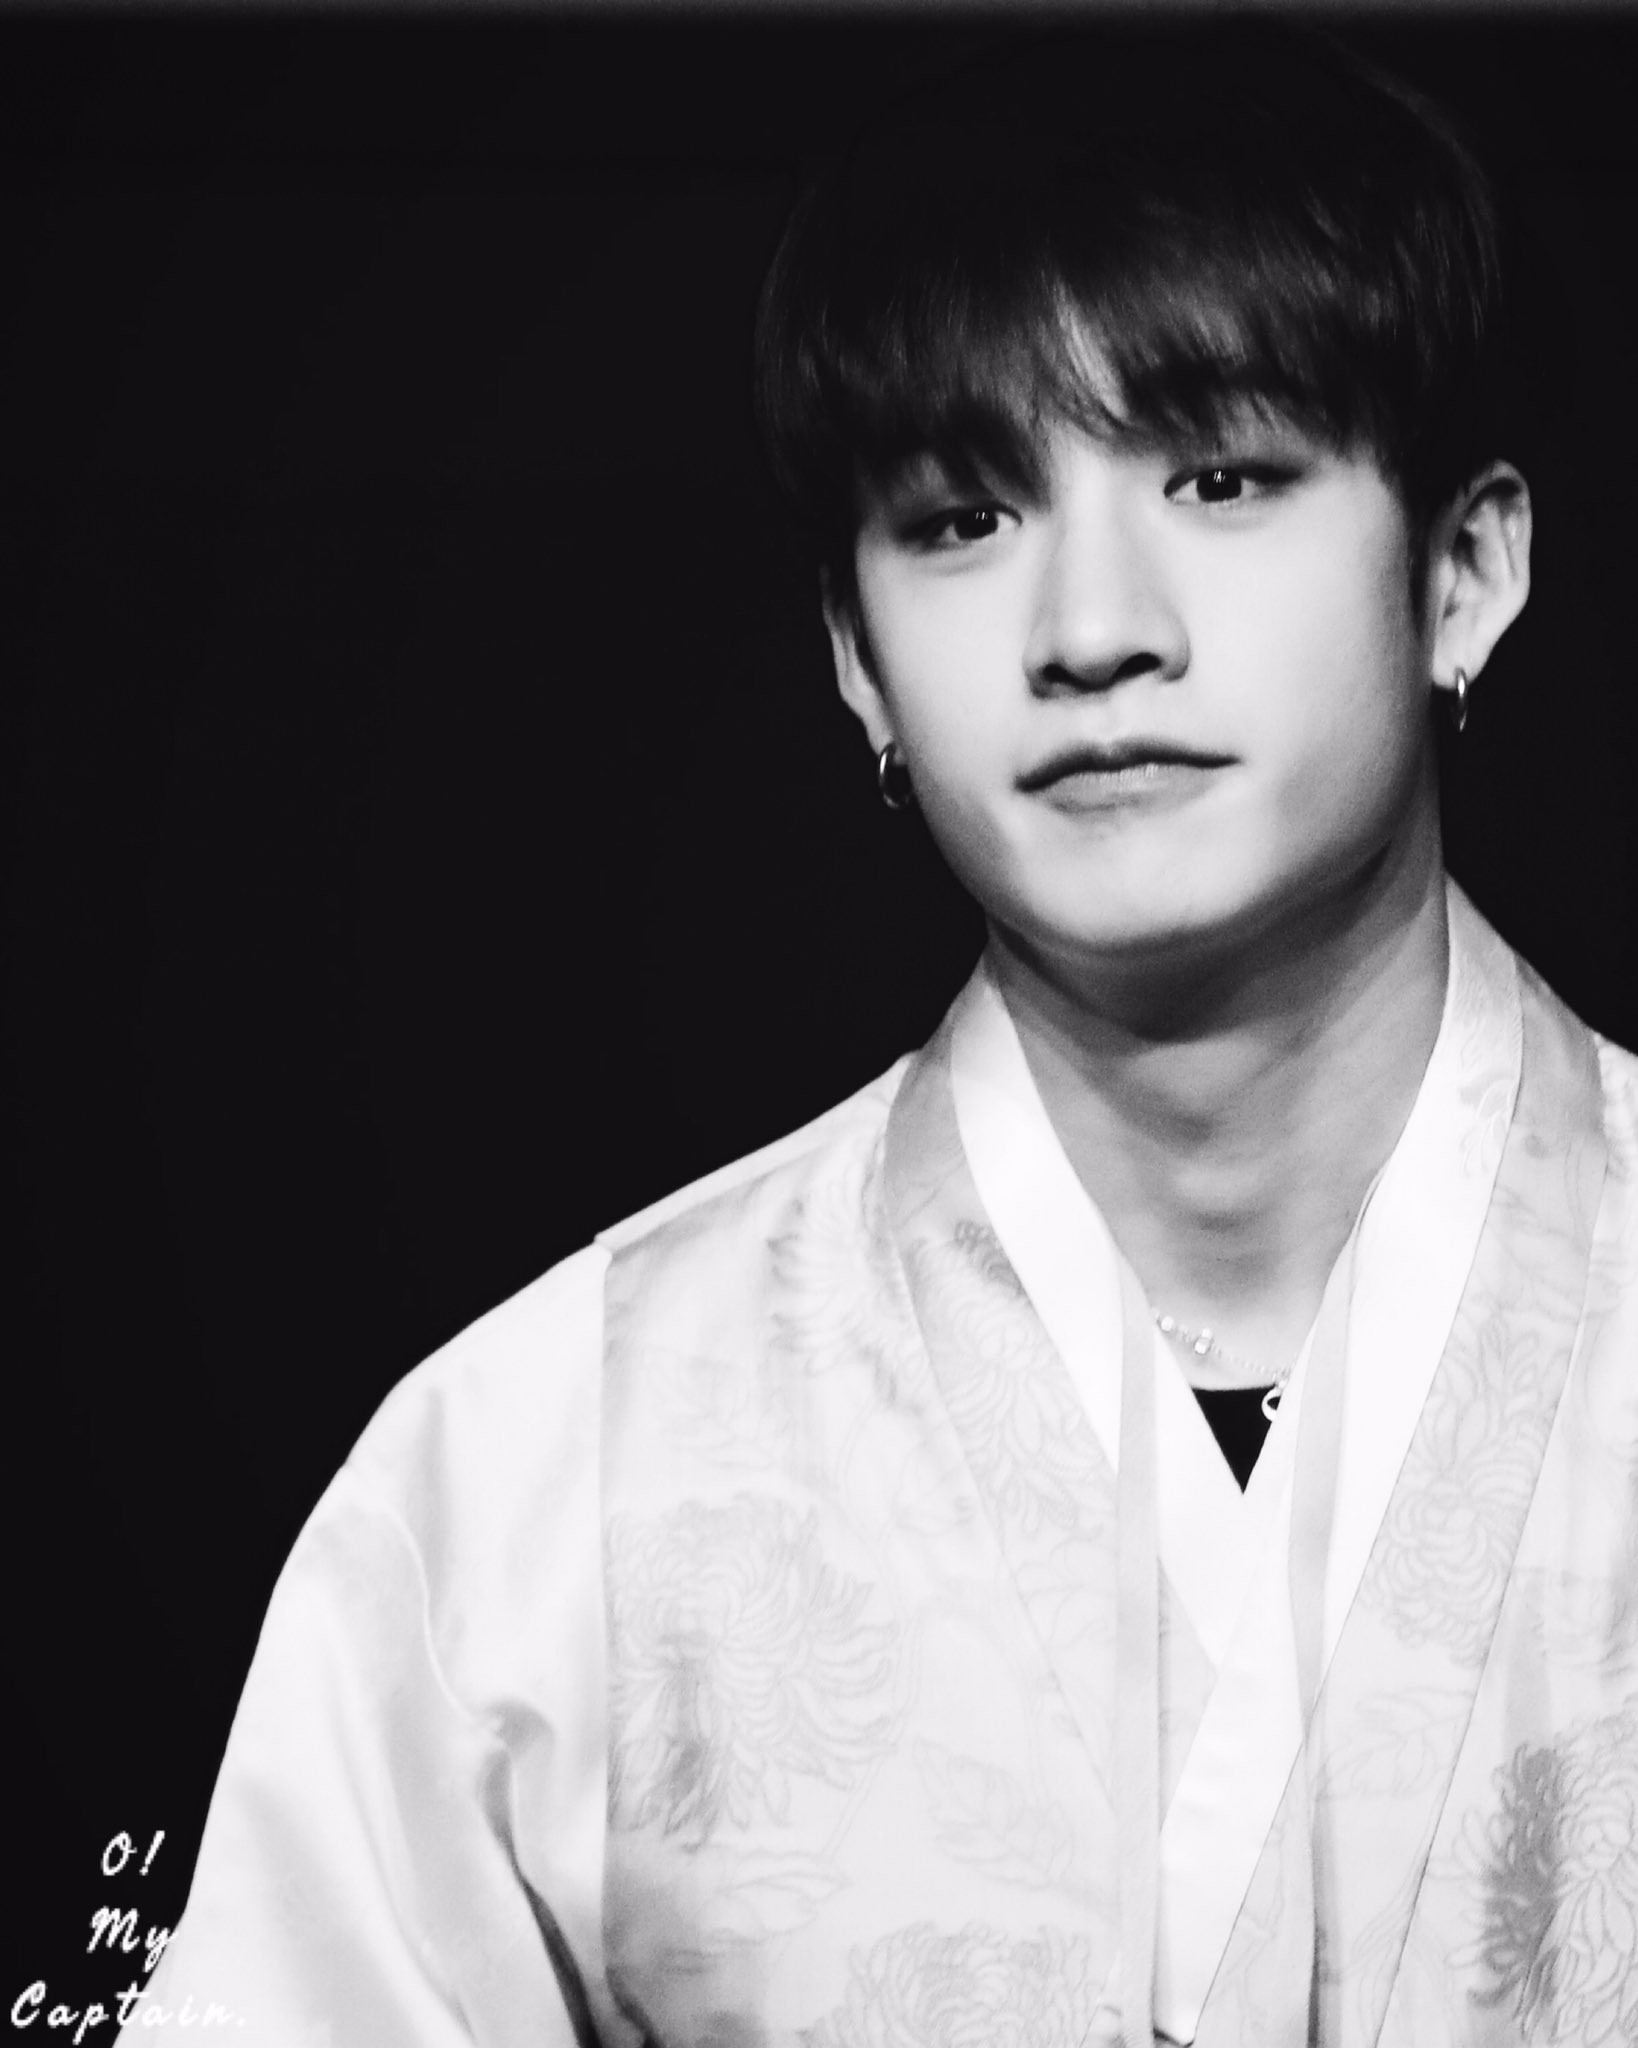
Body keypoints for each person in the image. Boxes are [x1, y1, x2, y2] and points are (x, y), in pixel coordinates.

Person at [123, 20, 1636, 2048]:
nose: (1093, 629)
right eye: (961, 519)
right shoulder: (531, 1475)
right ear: (856, 659)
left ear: (1464, 568)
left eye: (1220, 477)